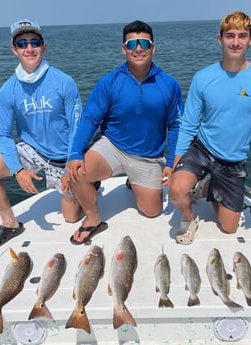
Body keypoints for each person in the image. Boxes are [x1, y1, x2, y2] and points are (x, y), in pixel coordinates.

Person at [66, 20, 183, 245]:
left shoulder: (169, 85)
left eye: (144, 43)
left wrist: (171, 162)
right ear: (124, 49)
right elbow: (90, 118)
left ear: (153, 48)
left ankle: (133, 181)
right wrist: (75, 153)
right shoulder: (109, 82)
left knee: (152, 211)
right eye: (132, 44)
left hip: (148, 155)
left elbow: (176, 125)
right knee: (76, 172)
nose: (138, 48)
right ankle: (93, 218)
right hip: (112, 146)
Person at [169, 11, 251, 245]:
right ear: (220, 39)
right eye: (230, 36)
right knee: (177, 190)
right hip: (202, 148)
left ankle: (208, 185)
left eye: (242, 36)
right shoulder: (203, 77)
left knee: (229, 228)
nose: (236, 42)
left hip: (233, 159)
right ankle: (190, 218)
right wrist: (176, 161)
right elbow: (188, 123)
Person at [0, 19, 83, 250]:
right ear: (14, 50)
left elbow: (77, 128)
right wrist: (18, 170)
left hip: (64, 155)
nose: (29, 48)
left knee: (72, 218)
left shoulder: (64, 82)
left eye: (34, 42)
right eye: (22, 43)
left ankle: (87, 185)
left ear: (43, 46)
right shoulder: (8, 90)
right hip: (32, 150)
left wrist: (68, 168)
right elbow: (2, 135)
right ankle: (10, 223)